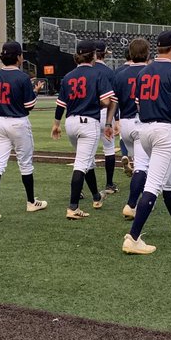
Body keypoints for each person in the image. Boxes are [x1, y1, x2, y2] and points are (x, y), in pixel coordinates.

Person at [122, 30, 171, 255]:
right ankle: (133, 237)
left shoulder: (143, 71)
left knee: (169, 181)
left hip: (144, 129)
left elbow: (138, 105)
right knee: (154, 185)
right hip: (165, 131)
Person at [51, 40, 115, 219]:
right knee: (81, 164)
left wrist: (56, 124)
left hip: (70, 122)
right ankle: (73, 207)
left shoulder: (68, 76)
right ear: (93, 55)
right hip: (88, 122)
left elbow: (61, 104)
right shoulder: (97, 73)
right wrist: (95, 104)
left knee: (88, 161)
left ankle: (96, 197)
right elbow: (107, 101)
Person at [0, 41, 47, 220]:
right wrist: (35, 92)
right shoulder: (22, 77)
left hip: (0, 122)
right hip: (18, 122)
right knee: (25, 163)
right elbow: (29, 105)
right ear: (19, 57)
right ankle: (31, 202)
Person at [113, 38, 151, 219]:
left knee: (140, 164)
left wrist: (112, 122)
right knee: (142, 167)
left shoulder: (120, 74)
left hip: (124, 123)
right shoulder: (150, 72)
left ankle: (145, 199)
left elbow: (113, 101)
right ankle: (132, 204)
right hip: (141, 122)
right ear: (147, 53)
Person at [92, 41, 120, 196]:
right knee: (109, 149)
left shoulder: (85, 70)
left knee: (85, 153)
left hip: (88, 114)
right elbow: (114, 99)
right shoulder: (109, 72)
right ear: (104, 54)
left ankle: (81, 189)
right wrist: (116, 119)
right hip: (106, 113)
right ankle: (109, 184)